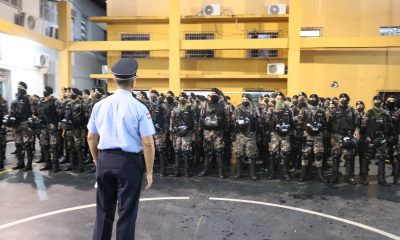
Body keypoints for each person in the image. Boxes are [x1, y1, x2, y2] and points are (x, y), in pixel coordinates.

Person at [88, 58, 155, 240]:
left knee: (103, 211)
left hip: (105, 160)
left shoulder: (99, 105)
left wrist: (97, 160)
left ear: (114, 80)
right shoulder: (139, 108)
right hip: (129, 163)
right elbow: (148, 142)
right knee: (127, 213)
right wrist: (149, 172)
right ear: (134, 80)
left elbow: (91, 137)